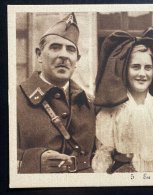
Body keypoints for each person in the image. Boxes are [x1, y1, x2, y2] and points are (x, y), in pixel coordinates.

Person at [92, 27, 153, 173]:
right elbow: (103, 159)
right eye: (135, 67)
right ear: (125, 70)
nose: (142, 74)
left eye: (148, 68)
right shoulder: (112, 110)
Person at [17, 13, 95, 173]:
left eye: (70, 50)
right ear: (39, 55)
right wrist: (33, 162)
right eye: (55, 47)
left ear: (76, 60)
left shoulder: (90, 103)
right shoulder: (14, 100)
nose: (63, 55)